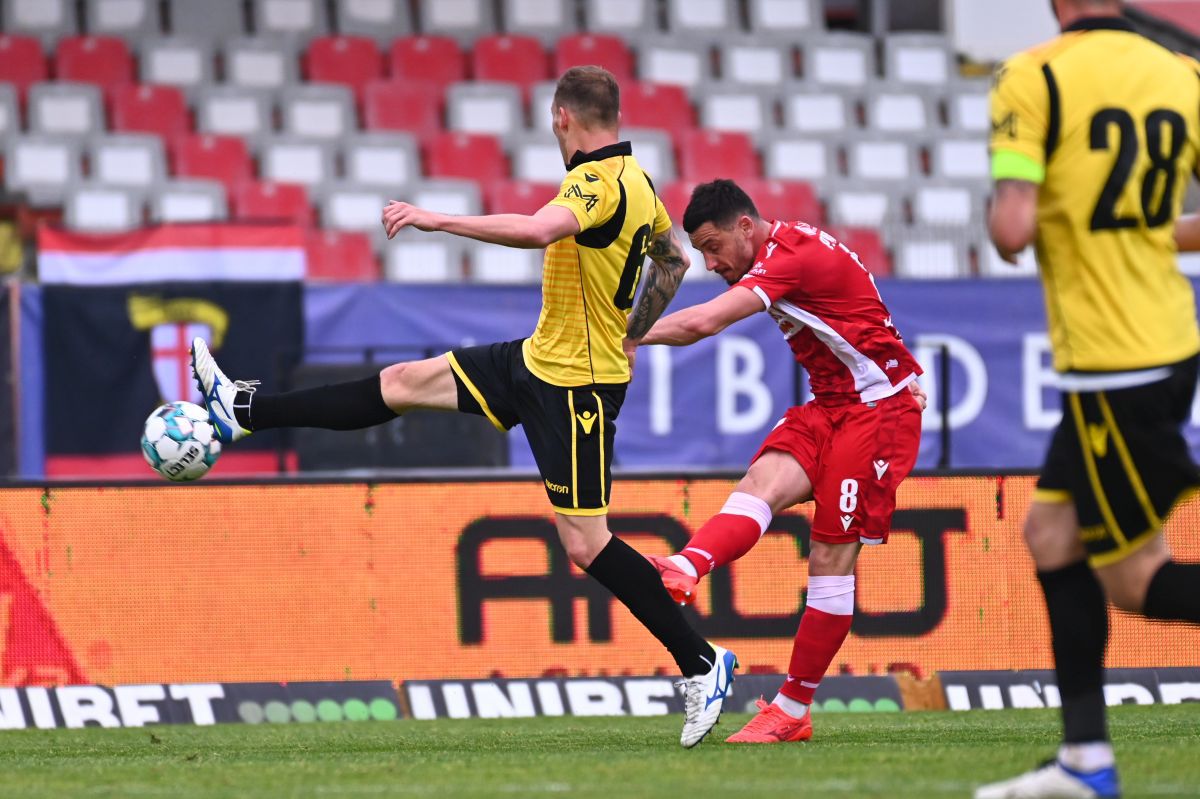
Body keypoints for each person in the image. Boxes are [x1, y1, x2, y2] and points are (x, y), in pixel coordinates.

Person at [189, 66, 737, 748]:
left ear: (561, 116)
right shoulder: (640, 182)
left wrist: (434, 218)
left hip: (575, 387)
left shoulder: (594, 180)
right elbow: (674, 258)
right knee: (401, 381)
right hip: (538, 359)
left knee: (586, 543)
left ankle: (704, 663)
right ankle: (244, 409)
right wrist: (631, 330)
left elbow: (542, 232)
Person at [979, 1, 1200, 796]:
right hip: (1164, 340)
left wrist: (1015, 210)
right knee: (1050, 533)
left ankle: (1088, 767)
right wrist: (1143, 235)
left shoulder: (1034, 76)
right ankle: (1085, 762)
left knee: (1135, 581)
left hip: (1114, 363)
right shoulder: (1180, 73)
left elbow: (1011, 227)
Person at [625, 179, 925, 744]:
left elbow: (702, 323)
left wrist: (626, 336)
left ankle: (792, 709)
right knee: (761, 481)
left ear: (746, 226)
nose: (710, 263)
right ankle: (687, 568)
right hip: (834, 404)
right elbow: (864, 317)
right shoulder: (785, 249)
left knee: (830, 562)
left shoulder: (789, 255)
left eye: (713, 247)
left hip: (877, 416)